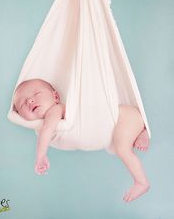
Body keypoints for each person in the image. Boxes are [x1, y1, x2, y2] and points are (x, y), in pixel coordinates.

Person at [13, 78, 150, 202]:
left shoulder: (55, 110)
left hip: (123, 116)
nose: (29, 101)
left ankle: (141, 182)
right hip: (122, 120)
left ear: (55, 96)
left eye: (36, 94)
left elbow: (47, 129)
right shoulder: (55, 117)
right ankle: (141, 132)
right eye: (22, 104)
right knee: (116, 145)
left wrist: (41, 156)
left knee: (122, 149)